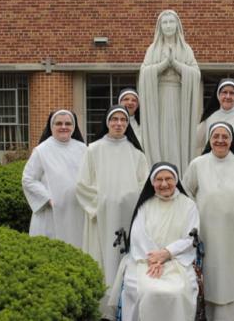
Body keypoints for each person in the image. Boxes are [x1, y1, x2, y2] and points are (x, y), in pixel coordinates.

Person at [183, 122, 234, 321]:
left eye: (224, 137)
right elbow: (185, 193)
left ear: (231, 140)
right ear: (210, 140)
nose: (220, 140)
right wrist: (194, 218)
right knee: (212, 275)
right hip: (208, 233)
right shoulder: (197, 164)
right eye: (215, 136)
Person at [75, 105, 149, 320]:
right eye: (114, 119)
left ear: (127, 124)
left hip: (128, 217)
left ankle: (126, 305)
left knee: (126, 258)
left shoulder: (136, 153)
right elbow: (82, 184)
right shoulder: (93, 149)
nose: (118, 124)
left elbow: (144, 184)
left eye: (123, 120)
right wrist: (101, 202)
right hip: (101, 217)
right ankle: (103, 308)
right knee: (102, 258)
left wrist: (130, 201)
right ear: (106, 123)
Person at [111, 162, 200, 321]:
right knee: (147, 290)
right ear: (152, 182)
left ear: (176, 180)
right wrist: (154, 259)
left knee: (179, 292)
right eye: (159, 179)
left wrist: (167, 253)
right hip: (145, 260)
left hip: (177, 261)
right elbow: (138, 236)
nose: (164, 184)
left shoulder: (188, 205)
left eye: (168, 179)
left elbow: (190, 237)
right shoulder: (145, 205)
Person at [138, 9, 201, 173]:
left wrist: (176, 64)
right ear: (160, 27)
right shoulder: (152, 49)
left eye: (171, 22)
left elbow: (195, 73)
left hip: (180, 99)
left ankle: (179, 172)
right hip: (158, 100)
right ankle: (158, 170)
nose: (168, 26)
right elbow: (144, 73)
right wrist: (164, 64)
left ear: (177, 25)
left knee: (177, 138)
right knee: (160, 136)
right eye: (164, 23)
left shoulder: (186, 49)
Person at [22, 109, 87, 248]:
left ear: (73, 126)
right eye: (59, 123)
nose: (63, 127)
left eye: (68, 123)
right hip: (51, 212)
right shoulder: (42, 150)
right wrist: (46, 198)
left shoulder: (83, 149)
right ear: (51, 127)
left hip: (77, 211)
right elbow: (28, 179)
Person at [197, 78, 234, 150]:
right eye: (224, 92)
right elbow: (196, 141)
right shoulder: (210, 117)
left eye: (232, 93)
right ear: (218, 95)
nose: (228, 96)